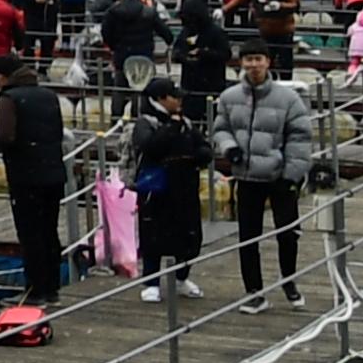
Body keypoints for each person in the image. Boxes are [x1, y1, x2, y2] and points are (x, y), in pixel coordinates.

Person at [212, 48, 315, 308]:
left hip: (280, 176)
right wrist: (228, 148)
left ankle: (289, 280)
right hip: (246, 177)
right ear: (241, 63)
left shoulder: (289, 98)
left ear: (268, 62)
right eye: (249, 60)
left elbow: (300, 138)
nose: (254, 65)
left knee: (288, 233)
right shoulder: (229, 97)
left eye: (259, 59)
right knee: (248, 236)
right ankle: (253, 291)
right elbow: (220, 128)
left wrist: (292, 174)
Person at [0, 59, 71, 306]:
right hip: (53, 172)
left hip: (25, 175)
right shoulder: (49, 95)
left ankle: (34, 290)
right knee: (49, 230)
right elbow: (57, 131)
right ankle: (52, 288)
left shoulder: (9, 99)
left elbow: (6, 136)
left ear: (3, 76)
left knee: (30, 233)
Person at [128, 79, 211, 303]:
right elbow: (150, 147)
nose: (180, 100)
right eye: (175, 96)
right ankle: (151, 282)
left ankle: (182, 277)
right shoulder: (146, 122)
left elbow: (203, 146)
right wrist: (173, 128)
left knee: (190, 235)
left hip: (185, 186)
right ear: (161, 99)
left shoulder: (187, 122)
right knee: (153, 236)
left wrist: (200, 154)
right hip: (157, 187)